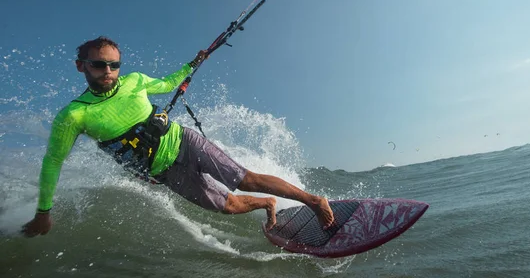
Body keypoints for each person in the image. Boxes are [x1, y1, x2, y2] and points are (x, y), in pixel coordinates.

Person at [22, 36, 334, 237]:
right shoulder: (73, 115)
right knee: (230, 206)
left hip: (185, 142)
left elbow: (170, 81)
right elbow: (53, 163)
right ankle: (268, 204)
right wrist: (43, 212)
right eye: (99, 64)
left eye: (114, 64)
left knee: (245, 179)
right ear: (81, 67)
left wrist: (194, 63)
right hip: (166, 173)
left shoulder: (135, 81)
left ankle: (313, 201)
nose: (108, 70)